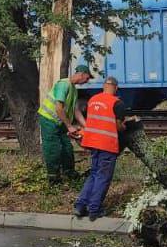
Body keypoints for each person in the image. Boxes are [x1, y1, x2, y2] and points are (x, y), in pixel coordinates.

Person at [74, 76, 127, 221]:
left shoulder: (93, 100)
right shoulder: (117, 103)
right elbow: (117, 126)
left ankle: (80, 206)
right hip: (107, 145)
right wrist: (124, 126)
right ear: (115, 88)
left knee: (94, 174)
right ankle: (94, 209)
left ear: (104, 86)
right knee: (103, 177)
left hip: (93, 143)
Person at [38, 69, 91, 184]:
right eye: (86, 78)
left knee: (67, 147)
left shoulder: (73, 90)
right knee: (53, 149)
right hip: (49, 120)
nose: (86, 81)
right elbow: (58, 108)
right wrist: (69, 126)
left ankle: (69, 172)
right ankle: (53, 178)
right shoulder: (63, 85)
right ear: (81, 74)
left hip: (60, 122)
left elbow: (75, 110)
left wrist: (86, 126)